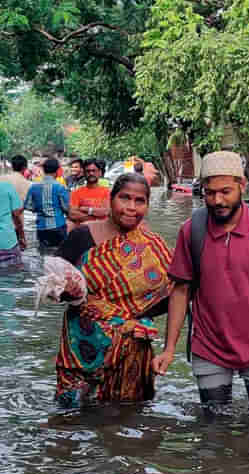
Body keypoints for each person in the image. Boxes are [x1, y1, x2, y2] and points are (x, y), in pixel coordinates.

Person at [152, 151, 249, 413]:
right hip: (209, 347)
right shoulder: (191, 231)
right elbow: (180, 292)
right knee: (212, 428)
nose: (217, 200)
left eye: (225, 191)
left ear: (242, 186)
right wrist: (169, 350)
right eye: (210, 192)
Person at [51, 173, 173, 407]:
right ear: (110, 199)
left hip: (131, 354)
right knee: (69, 420)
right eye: (124, 198)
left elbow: (170, 296)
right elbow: (52, 287)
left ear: (147, 205)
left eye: (140, 201)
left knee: (125, 419)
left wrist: (125, 320)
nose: (131, 207)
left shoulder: (153, 246)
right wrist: (69, 291)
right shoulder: (82, 236)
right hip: (82, 350)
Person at [26, 156, 71, 255]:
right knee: (59, 256)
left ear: (43, 169)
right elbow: (67, 208)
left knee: (44, 256)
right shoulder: (60, 187)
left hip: (41, 228)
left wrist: (38, 208)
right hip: (58, 226)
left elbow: (29, 207)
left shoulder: (34, 186)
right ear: (57, 171)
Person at [68, 159, 110, 224]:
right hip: (83, 231)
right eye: (88, 171)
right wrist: (96, 217)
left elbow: (106, 211)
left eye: (94, 171)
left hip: (102, 231)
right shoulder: (76, 193)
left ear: (100, 173)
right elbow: (72, 214)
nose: (91, 173)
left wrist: (87, 209)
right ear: (84, 173)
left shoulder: (107, 192)